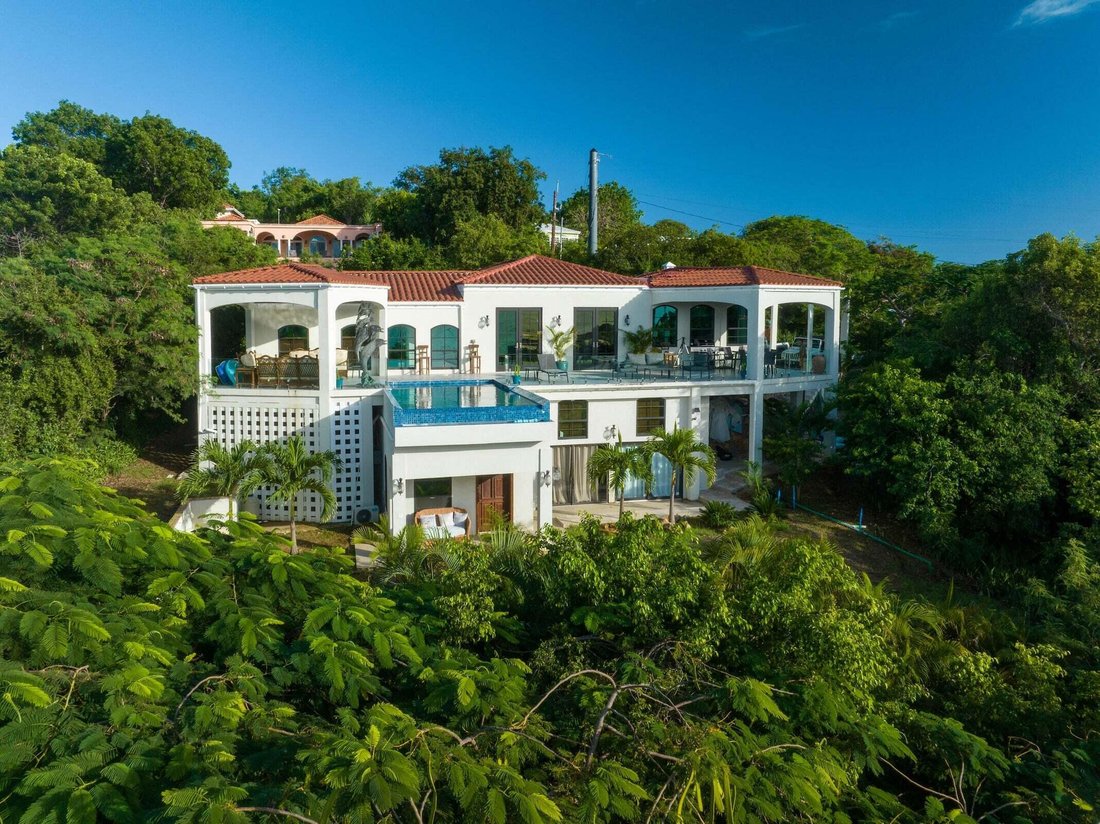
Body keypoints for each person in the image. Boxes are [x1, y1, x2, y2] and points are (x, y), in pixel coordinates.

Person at [354, 303, 384, 386]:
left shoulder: (368, 326)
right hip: (363, 348)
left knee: (364, 359)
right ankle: (365, 376)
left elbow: (371, 335)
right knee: (363, 360)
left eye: (366, 313)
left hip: (366, 348)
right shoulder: (363, 327)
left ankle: (366, 376)